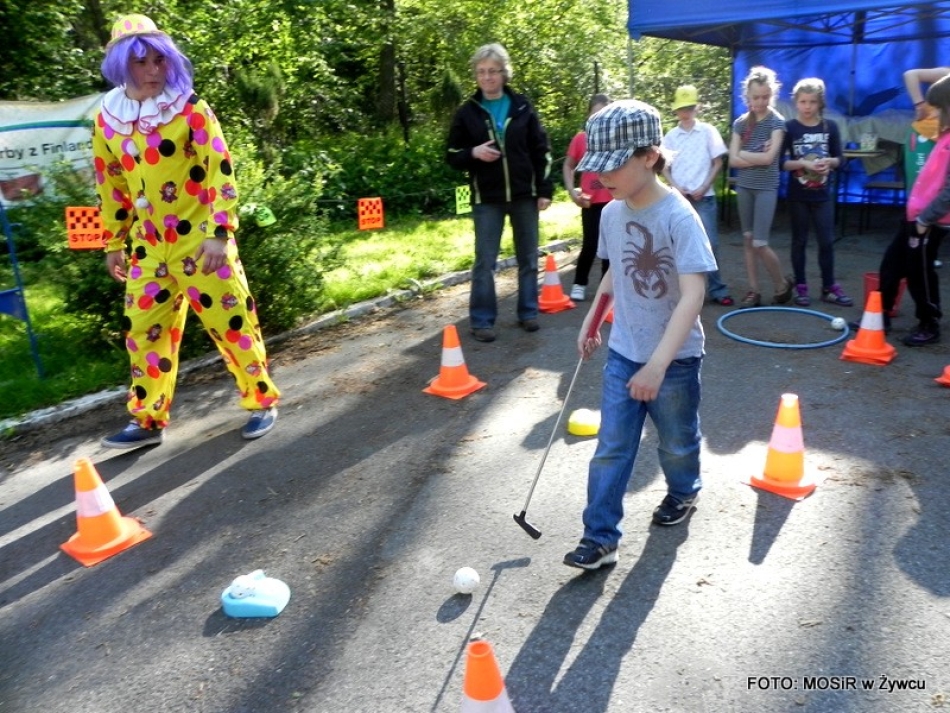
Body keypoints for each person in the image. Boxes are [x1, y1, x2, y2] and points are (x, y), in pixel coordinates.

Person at [92, 14, 280, 449]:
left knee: (232, 324)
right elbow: (110, 183)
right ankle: (147, 420)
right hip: (149, 250)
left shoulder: (189, 107)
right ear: (123, 65)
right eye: (142, 63)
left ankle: (260, 400)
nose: (154, 71)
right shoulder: (108, 120)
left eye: (160, 60)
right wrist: (114, 241)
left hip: (201, 241)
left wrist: (220, 230)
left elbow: (220, 169)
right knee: (143, 332)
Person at [562, 100, 717, 570]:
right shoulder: (611, 213)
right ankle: (600, 536)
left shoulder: (679, 216)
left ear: (649, 156)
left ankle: (685, 489)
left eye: (612, 167)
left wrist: (658, 364)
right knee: (611, 447)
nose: (599, 178)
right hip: (623, 353)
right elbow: (614, 275)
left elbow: (694, 294)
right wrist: (592, 321)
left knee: (675, 442)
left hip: (674, 362)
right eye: (596, 167)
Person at [446, 43, 554, 342]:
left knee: (529, 258)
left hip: (524, 196)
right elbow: (452, 155)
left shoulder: (522, 106)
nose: (487, 77)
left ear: (504, 74)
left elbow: (541, 150)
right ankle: (482, 320)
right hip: (487, 200)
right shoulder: (467, 112)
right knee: (485, 262)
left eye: (493, 71)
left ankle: (528, 312)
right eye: (481, 72)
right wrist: (474, 152)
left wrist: (544, 190)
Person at [868, 72, 950, 346]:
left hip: (930, 221)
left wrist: (926, 219)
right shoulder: (942, 137)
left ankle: (929, 322)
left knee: (920, 272)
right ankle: (880, 314)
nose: (932, 114)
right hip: (915, 217)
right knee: (892, 262)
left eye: (937, 109)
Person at [780, 78, 852, 307]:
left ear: (820, 103)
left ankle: (829, 286)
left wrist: (829, 161)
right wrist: (805, 164)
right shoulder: (790, 127)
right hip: (798, 195)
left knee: (826, 241)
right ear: (796, 102)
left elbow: (840, 159)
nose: (807, 106)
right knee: (799, 241)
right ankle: (801, 286)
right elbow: (782, 163)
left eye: (812, 101)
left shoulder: (830, 127)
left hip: (822, 195)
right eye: (803, 101)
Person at [661, 84, 733, 306]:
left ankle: (717, 289)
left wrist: (704, 186)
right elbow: (663, 166)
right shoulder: (671, 136)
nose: (686, 112)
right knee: (677, 244)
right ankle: (680, 292)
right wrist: (675, 187)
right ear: (676, 110)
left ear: (696, 108)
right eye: (682, 108)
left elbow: (718, 162)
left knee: (710, 243)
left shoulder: (708, 131)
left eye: (690, 107)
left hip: (705, 196)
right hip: (680, 199)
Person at [728, 66, 794, 308]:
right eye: (756, 97)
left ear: (771, 95)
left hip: (766, 187)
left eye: (765, 97)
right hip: (745, 187)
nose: (761, 102)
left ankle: (782, 284)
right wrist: (751, 154)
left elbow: (769, 160)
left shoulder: (777, 122)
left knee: (760, 242)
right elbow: (732, 160)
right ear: (747, 97)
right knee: (747, 239)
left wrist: (744, 154)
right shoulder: (740, 124)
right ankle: (753, 290)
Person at [563, 93, 612, 302]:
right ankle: (579, 283)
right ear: (588, 115)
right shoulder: (581, 138)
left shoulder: (616, 138)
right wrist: (572, 191)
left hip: (614, 202)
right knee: (590, 244)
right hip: (590, 202)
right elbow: (568, 165)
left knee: (611, 247)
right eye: (595, 114)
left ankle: (606, 288)